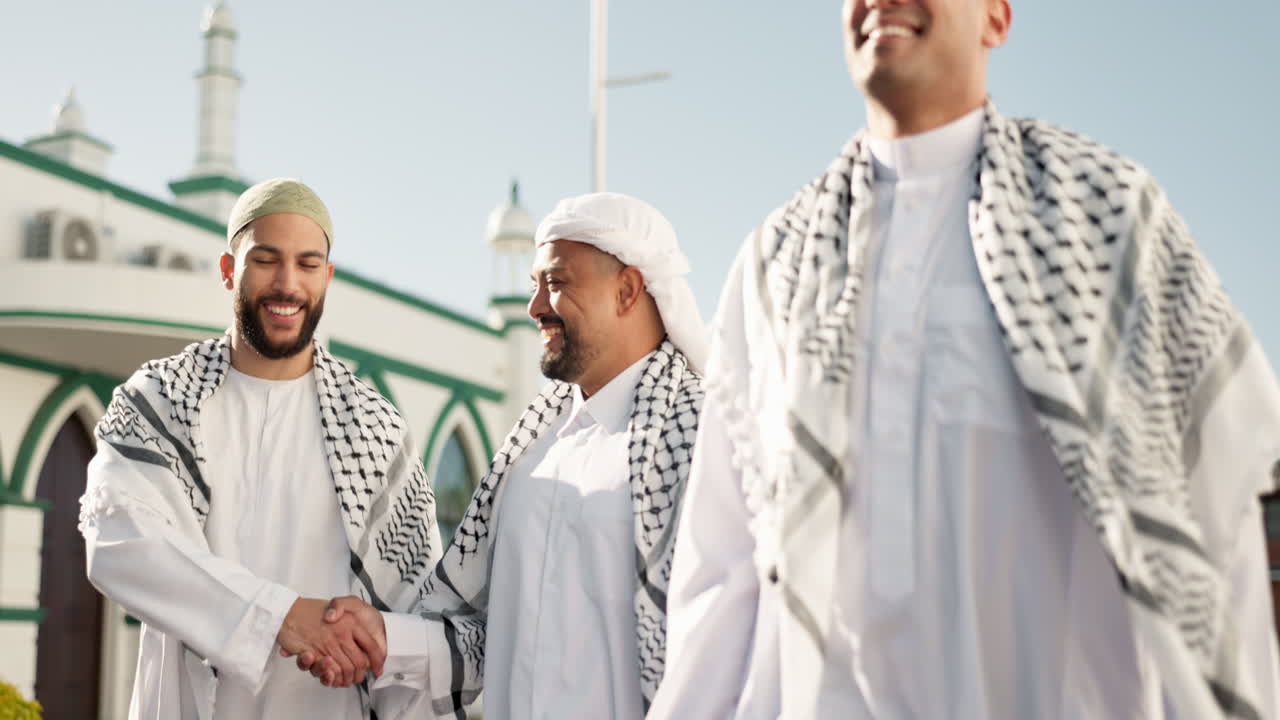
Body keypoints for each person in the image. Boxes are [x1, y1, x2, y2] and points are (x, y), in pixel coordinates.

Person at [649, 1, 1280, 718]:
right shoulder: (773, 267)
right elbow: (721, 579)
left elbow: (1217, 533)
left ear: (996, 19)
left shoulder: (1111, 221)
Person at [302, 192, 707, 719]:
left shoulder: (705, 438)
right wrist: (383, 637)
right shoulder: (534, 448)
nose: (535, 306)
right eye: (534, 284)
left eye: (556, 283)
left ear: (628, 289)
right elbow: (487, 640)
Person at [80, 178, 442, 719]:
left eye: (308, 264)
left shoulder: (377, 428)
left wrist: (373, 639)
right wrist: (281, 617)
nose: (288, 284)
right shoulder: (159, 398)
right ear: (229, 270)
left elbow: (418, 604)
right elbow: (119, 540)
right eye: (267, 260)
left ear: (328, 277)